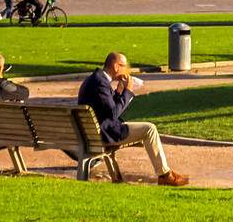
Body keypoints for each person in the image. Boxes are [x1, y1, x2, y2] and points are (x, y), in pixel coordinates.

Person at [77, 52, 188, 186]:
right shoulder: (100, 83)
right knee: (149, 129)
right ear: (116, 66)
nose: (127, 70)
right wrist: (128, 91)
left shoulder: (95, 79)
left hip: (93, 133)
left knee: (147, 129)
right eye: (125, 66)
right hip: (105, 134)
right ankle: (164, 175)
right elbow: (113, 114)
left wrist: (119, 92)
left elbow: (107, 109)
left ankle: (165, 173)